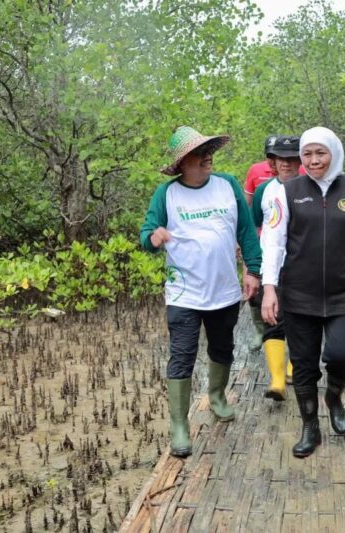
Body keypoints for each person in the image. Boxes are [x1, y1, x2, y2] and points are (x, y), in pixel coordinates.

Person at [260, 126, 345, 458]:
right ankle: (310, 427)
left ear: (334, 152)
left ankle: (334, 397)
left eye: (320, 153)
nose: (313, 160)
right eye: (307, 154)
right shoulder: (287, 192)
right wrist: (269, 288)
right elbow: (274, 243)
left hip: (344, 292)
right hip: (298, 293)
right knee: (304, 365)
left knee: (341, 353)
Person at [140, 126, 262, 458]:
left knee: (223, 346)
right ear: (182, 163)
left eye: (209, 150)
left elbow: (246, 230)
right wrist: (154, 239)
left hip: (224, 290)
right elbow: (146, 233)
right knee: (182, 355)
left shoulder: (229, 186)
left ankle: (218, 397)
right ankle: (179, 425)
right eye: (198, 153)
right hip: (184, 293)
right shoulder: (167, 194)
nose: (207, 157)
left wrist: (253, 269)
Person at [251, 135, 301, 401]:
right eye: (282, 158)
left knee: (301, 318)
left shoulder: (311, 188)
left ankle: (294, 366)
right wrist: (252, 267)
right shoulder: (264, 191)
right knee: (272, 318)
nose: (287, 164)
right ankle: (277, 380)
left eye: (293, 158)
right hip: (272, 266)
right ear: (274, 161)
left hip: (304, 265)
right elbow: (255, 225)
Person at [243, 135, 280, 351]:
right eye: (271, 156)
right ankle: (260, 330)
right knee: (254, 291)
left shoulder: (298, 171)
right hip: (259, 240)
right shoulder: (256, 171)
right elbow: (247, 208)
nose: (276, 161)